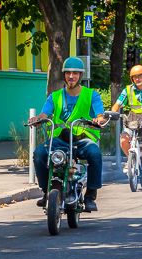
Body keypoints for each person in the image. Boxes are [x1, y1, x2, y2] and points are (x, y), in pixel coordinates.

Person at [29, 56, 106, 212]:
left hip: (82, 140)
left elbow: (100, 115)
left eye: (75, 73)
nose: (71, 76)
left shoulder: (92, 95)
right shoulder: (55, 96)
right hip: (59, 139)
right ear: (64, 75)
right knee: (38, 153)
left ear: (80, 76)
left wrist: (99, 120)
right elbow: (45, 113)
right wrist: (37, 119)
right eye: (68, 73)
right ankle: (46, 192)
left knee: (95, 153)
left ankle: (91, 195)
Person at [110, 64, 142, 180]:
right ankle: (131, 160)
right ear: (132, 79)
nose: (137, 79)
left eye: (140, 76)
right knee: (123, 139)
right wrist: (113, 113)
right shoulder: (128, 90)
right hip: (133, 120)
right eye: (135, 77)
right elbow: (118, 104)